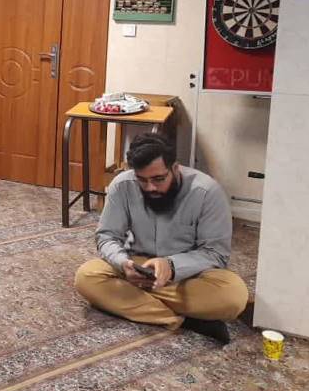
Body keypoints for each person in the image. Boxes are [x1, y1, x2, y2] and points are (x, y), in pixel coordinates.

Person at [74, 133, 248, 344]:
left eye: (158, 179)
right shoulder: (122, 185)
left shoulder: (206, 192)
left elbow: (215, 254)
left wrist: (171, 266)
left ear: (175, 168)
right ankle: (183, 320)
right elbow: (107, 236)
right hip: (139, 268)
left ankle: (135, 302)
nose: (150, 187)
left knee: (233, 296)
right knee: (87, 277)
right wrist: (123, 263)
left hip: (188, 275)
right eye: (142, 180)